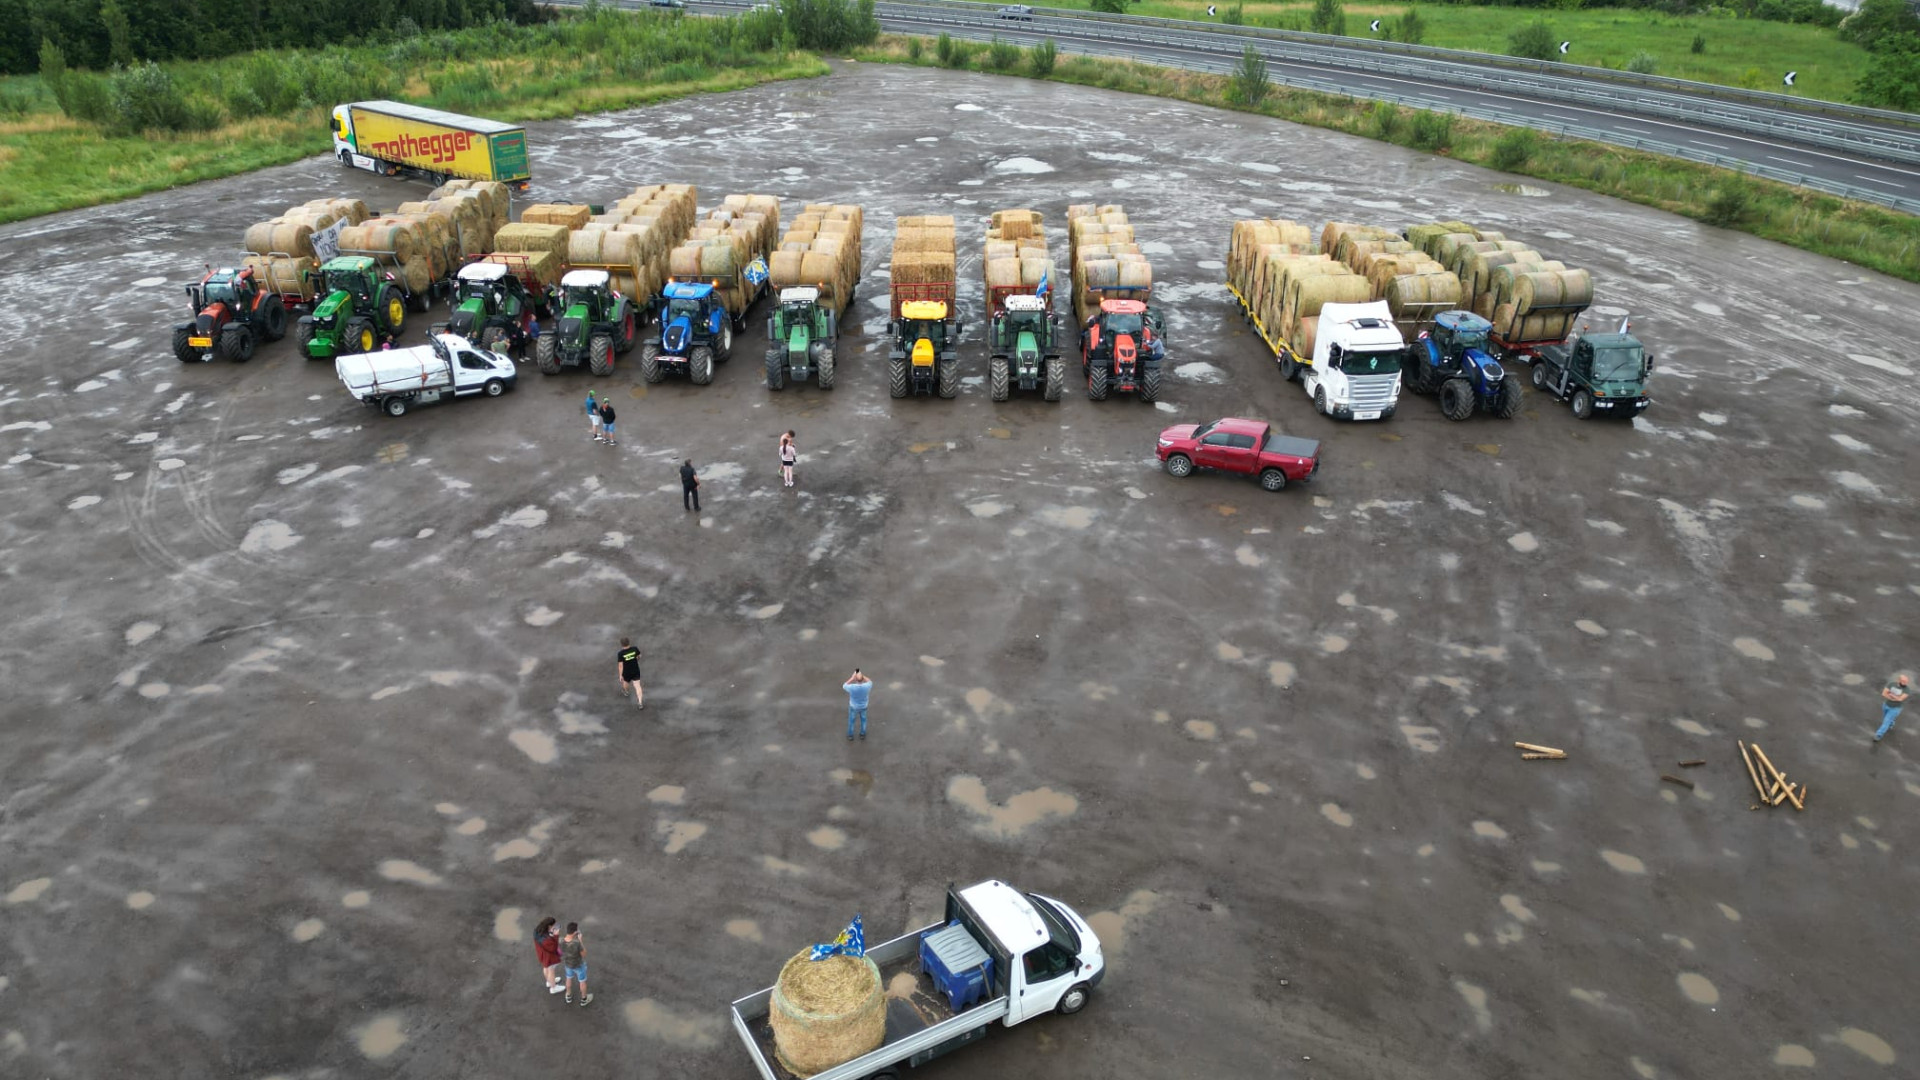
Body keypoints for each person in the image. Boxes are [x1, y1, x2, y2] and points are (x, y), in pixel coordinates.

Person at [560, 922, 591, 1006]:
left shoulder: (560, 940)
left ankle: (568, 995)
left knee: (568, 978)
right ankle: (584, 999)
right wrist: (580, 940)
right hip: (579, 965)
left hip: (568, 964)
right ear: (575, 932)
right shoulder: (577, 943)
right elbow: (584, 954)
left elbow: (559, 952)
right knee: (582, 982)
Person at [534, 916, 566, 995]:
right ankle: (553, 988)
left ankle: (549, 982)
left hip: (542, 954)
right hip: (549, 957)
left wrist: (551, 933)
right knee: (551, 970)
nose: (555, 927)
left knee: (546, 968)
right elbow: (553, 948)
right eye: (553, 925)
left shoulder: (537, 930)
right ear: (549, 926)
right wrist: (556, 935)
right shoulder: (546, 940)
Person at [1875, 673, 1910, 742]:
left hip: (1895, 708)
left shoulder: (1907, 689)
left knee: (1886, 721)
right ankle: (1891, 723)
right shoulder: (1891, 684)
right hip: (1886, 705)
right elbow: (1884, 693)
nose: (1905, 683)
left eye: (1906, 682)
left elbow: (1900, 699)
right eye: (1904, 681)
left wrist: (1891, 695)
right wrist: (1893, 697)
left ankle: (1879, 734)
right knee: (1886, 718)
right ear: (1899, 680)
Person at [844, 668, 872, 741]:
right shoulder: (867, 686)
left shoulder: (852, 687)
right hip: (864, 706)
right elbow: (870, 681)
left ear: (855, 679)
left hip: (853, 707)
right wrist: (861, 675)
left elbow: (844, 685)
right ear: (862, 679)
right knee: (863, 720)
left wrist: (852, 678)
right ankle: (862, 734)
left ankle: (850, 735)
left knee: (851, 721)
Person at [617, 637, 643, 710]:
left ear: (621, 644)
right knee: (637, 686)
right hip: (635, 670)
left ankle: (626, 691)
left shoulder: (621, 653)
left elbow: (620, 665)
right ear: (629, 642)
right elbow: (639, 656)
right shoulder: (635, 649)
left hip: (626, 672)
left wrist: (620, 675)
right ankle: (640, 702)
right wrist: (636, 658)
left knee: (625, 683)